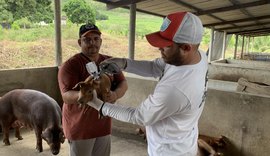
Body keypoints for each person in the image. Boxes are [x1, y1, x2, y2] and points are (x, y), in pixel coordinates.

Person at [87, 11, 208, 156]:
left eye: (166, 45)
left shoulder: (174, 91)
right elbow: (156, 67)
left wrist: (99, 106)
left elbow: (138, 116)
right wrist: (124, 63)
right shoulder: (198, 55)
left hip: (169, 151)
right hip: (183, 139)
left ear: (186, 48)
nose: (159, 48)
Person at [58, 23, 128, 156]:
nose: (92, 43)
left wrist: (115, 94)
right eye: (87, 40)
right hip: (79, 127)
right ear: (80, 42)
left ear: (101, 41)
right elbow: (66, 95)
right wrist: (84, 95)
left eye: (96, 39)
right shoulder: (70, 65)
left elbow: (123, 82)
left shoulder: (108, 62)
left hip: (103, 126)